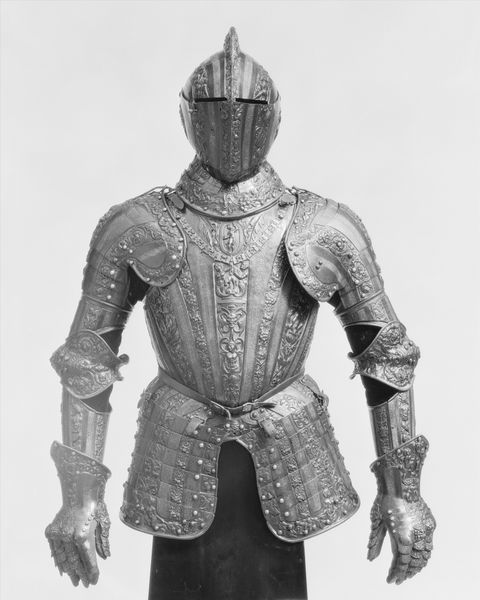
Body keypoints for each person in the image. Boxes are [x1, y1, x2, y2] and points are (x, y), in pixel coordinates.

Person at [45, 27, 435, 595]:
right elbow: (88, 361)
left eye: (248, 109)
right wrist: (78, 499)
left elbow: (387, 357)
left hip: (288, 437)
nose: (232, 121)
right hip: (177, 438)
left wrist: (404, 493)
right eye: (216, 109)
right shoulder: (138, 226)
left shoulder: (321, 226)